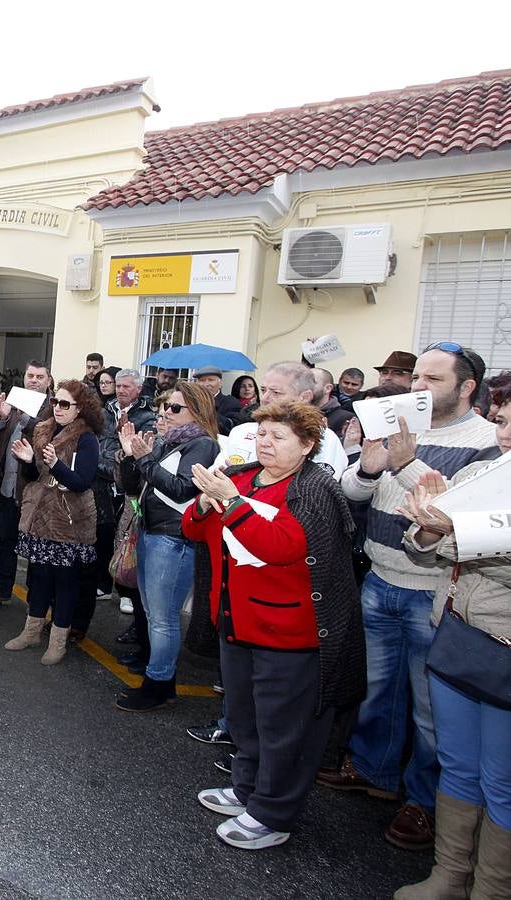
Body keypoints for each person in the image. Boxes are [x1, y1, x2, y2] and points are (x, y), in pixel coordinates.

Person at [323, 343, 498, 851]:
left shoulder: (488, 443)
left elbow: (452, 517)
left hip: (433, 591)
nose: (418, 387)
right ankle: (375, 771)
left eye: (434, 380)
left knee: (431, 711)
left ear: (467, 388)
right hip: (380, 577)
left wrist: (405, 464)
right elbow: (353, 496)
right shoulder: (397, 426)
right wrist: (371, 467)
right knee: (378, 689)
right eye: (417, 376)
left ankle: (423, 802)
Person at [183, 401, 365, 850]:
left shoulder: (315, 488)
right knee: (245, 718)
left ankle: (273, 812)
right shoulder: (242, 477)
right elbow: (192, 529)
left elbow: (280, 546)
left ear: (307, 446)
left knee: (284, 729)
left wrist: (229, 503)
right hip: (236, 619)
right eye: (261, 432)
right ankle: (247, 789)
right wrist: (207, 504)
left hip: (289, 631)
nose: (265, 440)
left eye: (278, 436)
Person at [395, 400, 511, 899]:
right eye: (504, 420)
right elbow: (420, 544)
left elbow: (472, 549)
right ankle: (448, 876)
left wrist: (452, 535)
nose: (504, 431)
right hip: (457, 631)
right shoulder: (486, 471)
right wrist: (428, 527)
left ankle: (489, 890)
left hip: (502, 645)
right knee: (459, 763)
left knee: (502, 782)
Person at [114, 380, 220, 710]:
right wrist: (131, 457)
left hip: (174, 539)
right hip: (153, 531)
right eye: (165, 407)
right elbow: (137, 486)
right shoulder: (170, 442)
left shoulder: (202, 445)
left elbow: (181, 490)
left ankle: (157, 683)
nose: (166, 413)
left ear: (197, 412)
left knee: (163, 619)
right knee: (154, 614)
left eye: (174, 408)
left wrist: (145, 459)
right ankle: (160, 678)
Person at [3, 379, 103, 663]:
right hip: (40, 516)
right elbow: (36, 475)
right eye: (55, 402)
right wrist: (27, 461)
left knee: (65, 580)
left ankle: (58, 641)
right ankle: (31, 631)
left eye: (64, 404)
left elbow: (82, 481)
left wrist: (55, 464)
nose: (57, 408)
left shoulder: (86, 438)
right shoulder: (44, 428)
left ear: (80, 408)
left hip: (68, 521)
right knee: (40, 575)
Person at [0, 360, 51, 607]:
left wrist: (25, 419)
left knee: (34, 548)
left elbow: (45, 438)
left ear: (48, 381)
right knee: (6, 542)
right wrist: (1, 419)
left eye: (39, 377)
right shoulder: (13, 403)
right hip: (6, 487)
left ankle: (36, 600)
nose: (33, 380)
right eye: (30, 376)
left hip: (33, 491)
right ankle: (2, 590)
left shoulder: (53, 409)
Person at [218, 362, 349, 477]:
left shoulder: (323, 438)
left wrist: (243, 481)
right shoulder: (241, 431)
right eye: (263, 390)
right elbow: (214, 473)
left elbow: (318, 491)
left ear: (304, 397)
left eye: (276, 392)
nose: (265, 398)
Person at [102, 369, 158, 630]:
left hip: (130, 484)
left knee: (127, 539)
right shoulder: (107, 409)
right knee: (108, 536)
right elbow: (102, 440)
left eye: (126, 386)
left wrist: (123, 439)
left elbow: (138, 448)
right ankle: (109, 583)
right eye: (118, 386)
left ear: (138, 389)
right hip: (104, 475)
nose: (120, 390)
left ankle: (127, 593)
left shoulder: (147, 416)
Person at [194, 365, 244, 434]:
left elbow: (232, 428)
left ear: (220, 384)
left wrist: (207, 408)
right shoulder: (191, 402)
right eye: (202, 380)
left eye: (211, 380)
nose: (206, 384)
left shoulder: (231, 402)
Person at [311, 367, 357, 437]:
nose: (304, 386)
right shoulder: (294, 413)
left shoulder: (345, 418)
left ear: (328, 388)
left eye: (312, 382)